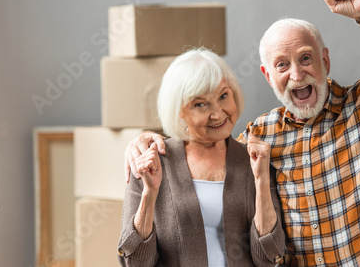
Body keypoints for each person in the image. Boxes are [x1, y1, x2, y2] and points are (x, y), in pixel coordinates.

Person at [124, 0, 360, 267]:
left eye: (306, 58)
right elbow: (201, 147)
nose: (297, 75)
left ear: (324, 60)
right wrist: (142, 141)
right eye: (282, 65)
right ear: (268, 77)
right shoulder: (259, 136)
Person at [117, 48, 285, 267]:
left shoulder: (254, 161)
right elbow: (133, 263)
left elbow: (270, 260)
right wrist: (149, 193)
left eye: (223, 96)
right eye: (200, 104)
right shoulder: (151, 162)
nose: (218, 113)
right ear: (179, 111)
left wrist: (262, 182)